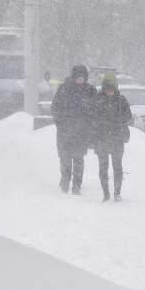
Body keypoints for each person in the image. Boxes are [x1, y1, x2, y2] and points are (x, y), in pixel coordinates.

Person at [51, 64, 96, 195]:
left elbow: (96, 109)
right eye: (78, 77)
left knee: (78, 158)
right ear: (74, 76)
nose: (80, 80)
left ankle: (77, 185)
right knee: (65, 157)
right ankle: (65, 181)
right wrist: (60, 122)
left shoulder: (90, 91)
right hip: (65, 130)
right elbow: (55, 107)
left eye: (83, 77)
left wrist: (91, 124)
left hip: (82, 132)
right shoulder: (64, 89)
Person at [92, 74, 133, 202]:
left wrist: (116, 121)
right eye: (107, 88)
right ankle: (106, 193)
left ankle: (117, 192)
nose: (109, 91)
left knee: (117, 166)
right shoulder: (97, 100)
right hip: (102, 139)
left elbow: (128, 116)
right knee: (103, 167)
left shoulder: (121, 100)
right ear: (104, 88)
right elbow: (92, 118)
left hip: (117, 138)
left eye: (112, 88)